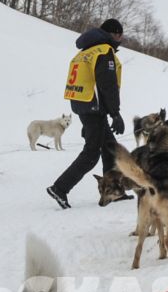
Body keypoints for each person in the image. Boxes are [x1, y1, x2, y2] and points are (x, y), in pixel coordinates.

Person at [46, 18, 126, 208]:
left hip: (85, 105)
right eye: (120, 34)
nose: (121, 38)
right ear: (114, 34)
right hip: (94, 108)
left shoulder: (84, 53)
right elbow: (107, 85)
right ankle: (60, 188)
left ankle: (115, 190)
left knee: (110, 148)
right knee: (92, 154)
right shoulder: (104, 51)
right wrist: (115, 113)